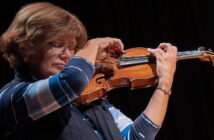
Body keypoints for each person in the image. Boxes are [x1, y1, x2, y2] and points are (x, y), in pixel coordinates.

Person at [0, 2, 177, 140]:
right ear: (27, 47)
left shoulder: (90, 100)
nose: (67, 55)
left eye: (73, 47)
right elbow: (72, 80)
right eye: (57, 44)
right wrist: (93, 45)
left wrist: (165, 83)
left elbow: (136, 137)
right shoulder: (12, 97)